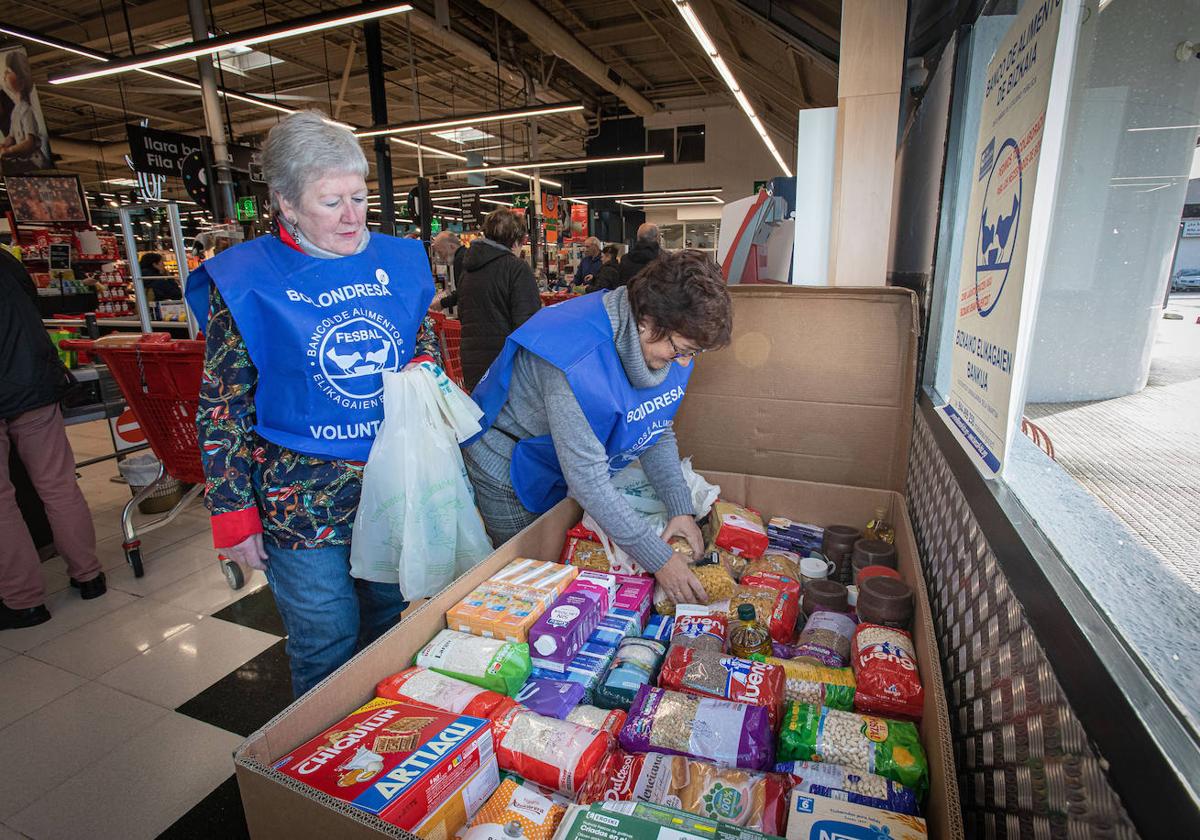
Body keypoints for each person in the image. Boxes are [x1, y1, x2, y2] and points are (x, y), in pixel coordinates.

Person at [186, 111, 442, 697]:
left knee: (386, 625)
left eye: (359, 197)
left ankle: (379, 742)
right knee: (325, 637)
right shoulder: (249, 279)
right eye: (332, 202)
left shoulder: (399, 263)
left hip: (392, 485)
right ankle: (319, 772)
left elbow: (426, 358)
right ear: (286, 203)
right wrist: (232, 514)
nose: (353, 217)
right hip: (298, 497)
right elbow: (223, 406)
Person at [464, 250, 733, 606]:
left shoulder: (664, 341)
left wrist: (679, 508)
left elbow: (654, 426)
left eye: (693, 353)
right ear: (647, 320)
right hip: (509, 463)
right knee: (533, 585)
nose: (683, 362)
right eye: (680, 350)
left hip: (561, 460)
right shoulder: (573, 357)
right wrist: (660, 559)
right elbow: (588, 481)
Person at [1, 248, 105, 631]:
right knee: (59, 486)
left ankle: (24, 600)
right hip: (34, 385)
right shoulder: (7, 262)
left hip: (24, 384)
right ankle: (88, 575)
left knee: (1, 503)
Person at [457, 208, 541, 391]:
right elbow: (527, 325)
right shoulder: (516, 269)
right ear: (517, 239)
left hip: (473, 364)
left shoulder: (468, 270)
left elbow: (463, 315)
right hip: (506, 367)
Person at [0, 50, 51, 171]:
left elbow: (29, 143)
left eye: (10, 71)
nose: (6, 73)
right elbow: (11, 137)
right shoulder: (16, 110)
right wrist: (4, 145)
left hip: (35, 161)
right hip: (25, 161)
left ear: (21, 82)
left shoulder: (27, 110)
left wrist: (8, 150)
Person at [430, 230, 467, 310]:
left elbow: (463, 292)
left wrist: (442, 303)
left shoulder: (460, 259)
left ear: (452, 246)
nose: (441, 257)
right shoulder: (465, 255)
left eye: (440, 252)